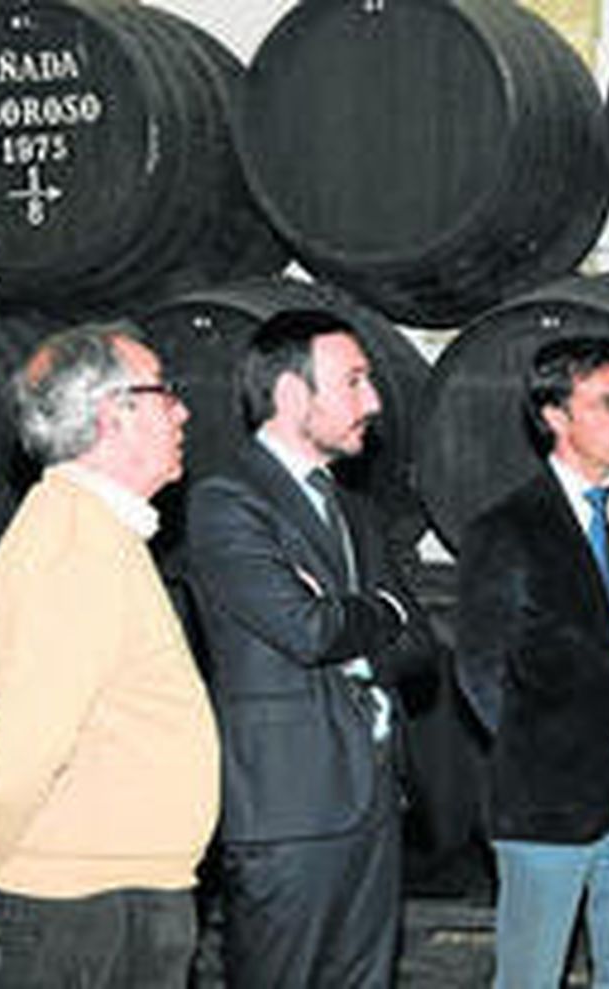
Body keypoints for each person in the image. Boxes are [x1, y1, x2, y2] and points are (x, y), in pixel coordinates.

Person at [0, 324, 219, 988]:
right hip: (78, 909)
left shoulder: (99, 533)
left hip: (118, 892)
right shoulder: (70, 544)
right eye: (165, 393)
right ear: (114, 414)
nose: (182, 410)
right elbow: (21, 750)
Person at [183, 310, 433, 988]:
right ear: (293, 396)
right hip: (289, 811)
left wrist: (356, 617)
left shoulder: (352, 508)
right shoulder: (226, 501)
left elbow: (421, 645)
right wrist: (376, 611)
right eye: (354, 382)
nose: (374, 402)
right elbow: (305, 628)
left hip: (374, 799)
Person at [457, 335, 609, 989]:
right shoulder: (505, 529)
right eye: (605, 404)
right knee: (529, 974)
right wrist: (548, 746)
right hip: (545, 791)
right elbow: (479, 667)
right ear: (555, 417)